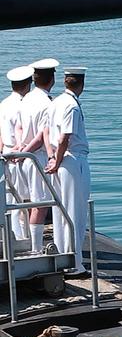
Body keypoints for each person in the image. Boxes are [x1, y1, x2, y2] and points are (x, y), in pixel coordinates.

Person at [46, 67, 91, 276]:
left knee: (60, 211)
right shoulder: (72, 106)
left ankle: (62, 256)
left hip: (59, 158)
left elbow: (47, 132)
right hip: (73, 160)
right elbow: (65, 136)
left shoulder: (55, 102)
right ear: (81, 84)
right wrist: (59, 158)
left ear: (65, 82)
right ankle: (74, 263)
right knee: (76, 211)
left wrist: (53, 157)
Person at [18, 58, 58, 254]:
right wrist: (27, 151)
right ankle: (35, 248)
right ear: (52, 79)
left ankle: (26, 241)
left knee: (27, 202)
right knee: (40, 205)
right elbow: (42, 135)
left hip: (23, 157)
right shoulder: (47, 103)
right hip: (37, 157)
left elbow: (19, 127)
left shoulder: (26, 99)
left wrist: (19, 148)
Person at [0, 65, 32, 240]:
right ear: (28, 85)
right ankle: (22, 238)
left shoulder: (3, 104)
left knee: (10, 199)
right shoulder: (22, 105)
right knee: (23, 201)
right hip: (19, 156)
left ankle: (11, 235)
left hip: (5, 154)